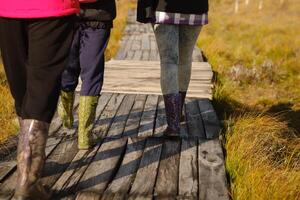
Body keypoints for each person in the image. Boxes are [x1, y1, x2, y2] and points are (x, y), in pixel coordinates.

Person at [0, 0, 79, 199]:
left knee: (22, 88)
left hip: (8, 9)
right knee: (40, 90)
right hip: (52, 9)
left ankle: (28, 163)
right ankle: (28, 179)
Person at [137, 0, 209, 136]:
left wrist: (144, 10)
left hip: (163, 7)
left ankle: (173, 125)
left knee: (168, 61)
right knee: (185, 59)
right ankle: (178, 112)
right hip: (195, 7)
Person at [58, 0, 116, 150]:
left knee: (67, 67)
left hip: (68, 13)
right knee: (92, 73)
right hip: (99, 16)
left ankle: (65, 115)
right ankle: (85, 136)